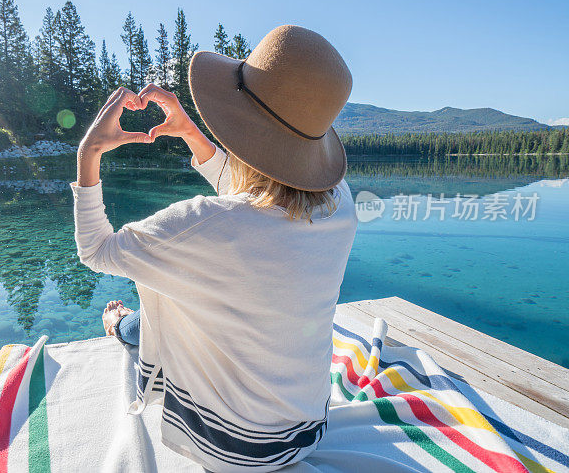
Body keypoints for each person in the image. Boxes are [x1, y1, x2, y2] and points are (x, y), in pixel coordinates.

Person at [72, 25, 357, 472]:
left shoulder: (202, 226)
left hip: (237, 450)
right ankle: (126, 324)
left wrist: (88, 155)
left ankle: (120, 324)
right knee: (198, 296)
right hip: (307, 429)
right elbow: (264, 202)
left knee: (153, 315)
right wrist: (191, 134)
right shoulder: (341, 206)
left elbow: (95, 249)